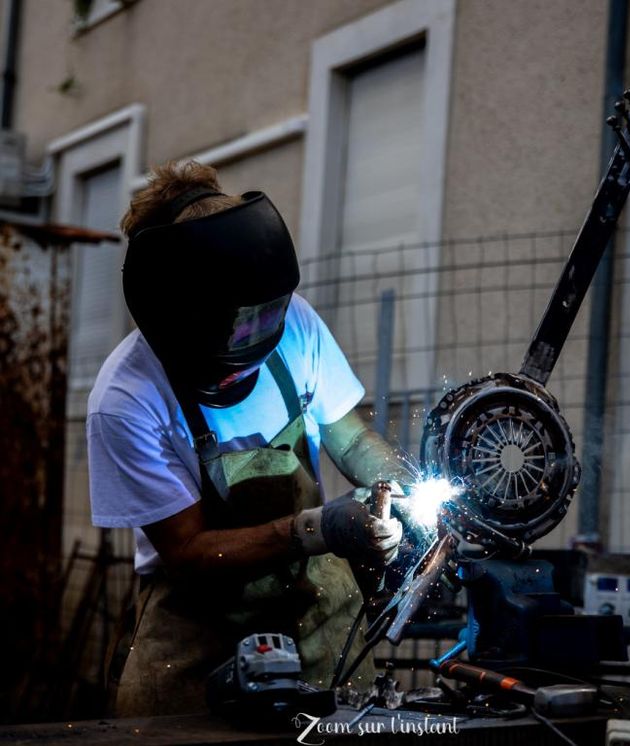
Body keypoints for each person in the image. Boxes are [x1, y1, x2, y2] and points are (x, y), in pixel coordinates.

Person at [87, 161, 412, 716]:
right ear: (180, 320)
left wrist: (404, 486)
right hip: (200, 628)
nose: (256, 339)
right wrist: (321, 525)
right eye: (235, 327)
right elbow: (187, 551)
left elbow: (349, 435)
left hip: (318, 611)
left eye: (266, 319)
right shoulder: (126, 399)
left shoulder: (296, 325)